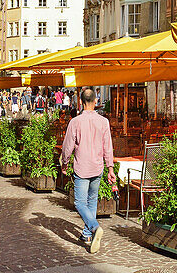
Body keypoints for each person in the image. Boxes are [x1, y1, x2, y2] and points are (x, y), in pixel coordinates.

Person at [61, 87, 113, 254]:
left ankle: (94, 227)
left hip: (82, 166)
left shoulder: (75, 122)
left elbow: (67, 146)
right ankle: (86, 235)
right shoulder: (103, 122)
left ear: (81, 103)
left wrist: (64, 162)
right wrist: (110, 167)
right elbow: (108, 147)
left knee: (79, 203)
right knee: (92, 202)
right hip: (97, 167)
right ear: (96, 101)